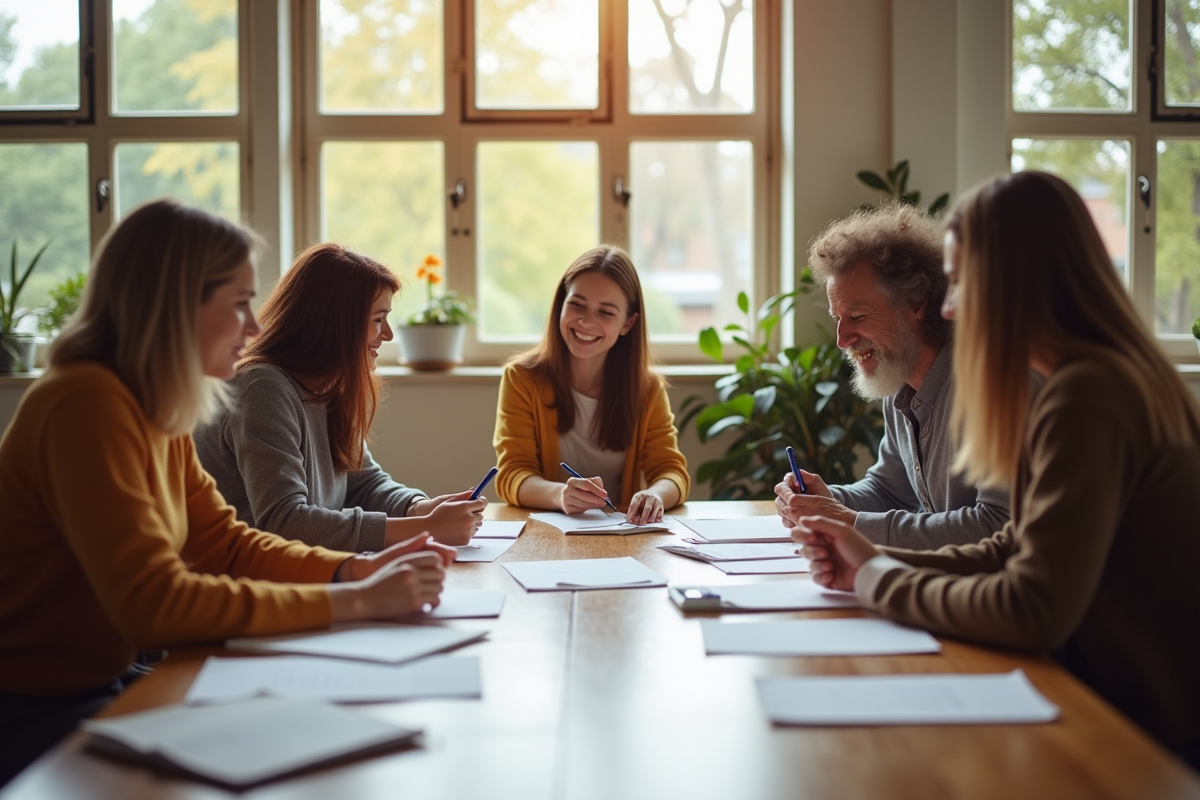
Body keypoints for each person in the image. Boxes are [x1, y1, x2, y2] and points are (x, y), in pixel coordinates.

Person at [0, 201, 454, 787]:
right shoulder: (87, 403)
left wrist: (350, 571)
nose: (255, 326)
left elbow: (227, 545)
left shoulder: (153, 405)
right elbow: (155, 603)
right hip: (31, 707)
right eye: (239, 303)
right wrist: (357, 599)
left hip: (102, 681)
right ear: (173, 304)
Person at [796, 171, 1200, 767]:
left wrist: (874, 579)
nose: (950, 307)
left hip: (1139, 733)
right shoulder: (1094, 378)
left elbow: (1032, 608)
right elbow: (1018, 541)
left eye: (959, 283)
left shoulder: (1088, 395)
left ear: (1017, 284)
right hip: (1118, 703)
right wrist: (872, 556)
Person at [195, 243, 486, 550]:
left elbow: (363, 482)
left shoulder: (328, 383)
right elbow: (284, 521)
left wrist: (417, 508)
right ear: (335, 325)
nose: (387, 334)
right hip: (245, 579)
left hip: (301, 572)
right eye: (377, 319)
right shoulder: (262, 388)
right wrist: (423, 529)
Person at [774, 202, 1020, 549]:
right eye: (837, 318)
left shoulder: (990, 383)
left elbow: (998, 523)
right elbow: (890, 490)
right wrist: (827, 501)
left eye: (857, 316)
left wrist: (851, 522)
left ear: (917, 302)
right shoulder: (899, 378)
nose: (842, 340)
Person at [493, 245, 689, 524]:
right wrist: (560, 495)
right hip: (545, 534)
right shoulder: (522, 379)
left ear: (628, 323)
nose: (586, 321)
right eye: (577, 304)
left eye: (606, 312)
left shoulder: (647, 390)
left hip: (622, 534)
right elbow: (512, 474)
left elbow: (672, 472)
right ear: (562, 303)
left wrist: (655, 495)